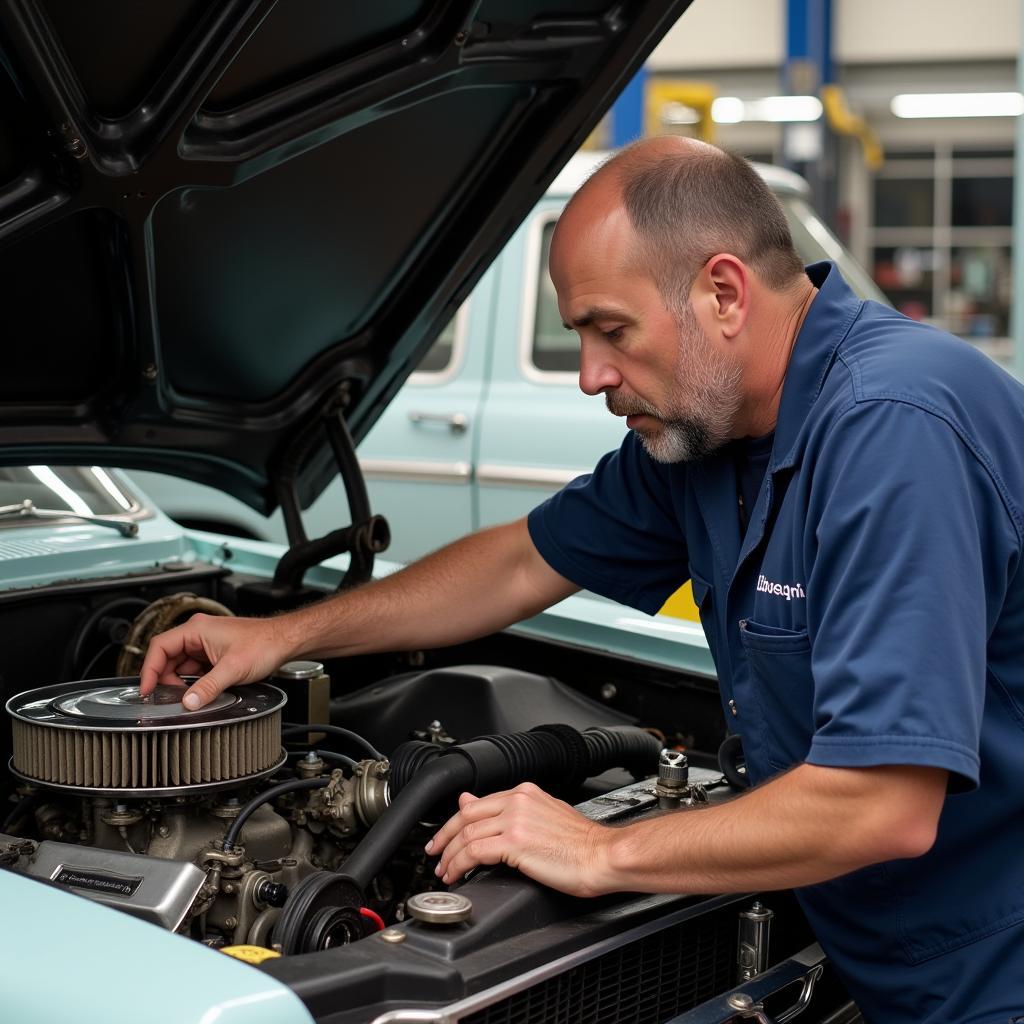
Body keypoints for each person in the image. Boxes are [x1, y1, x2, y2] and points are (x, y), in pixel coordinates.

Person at [140, 137, 1024, 1022]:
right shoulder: (706, 436)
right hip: (881, 956)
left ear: (723, 292)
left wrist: (603, 849)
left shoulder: (896, 429)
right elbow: (522, 561)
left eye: (611, 329)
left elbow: (882, 808)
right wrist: (284, 634)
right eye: (579, 337)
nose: (593, 375)